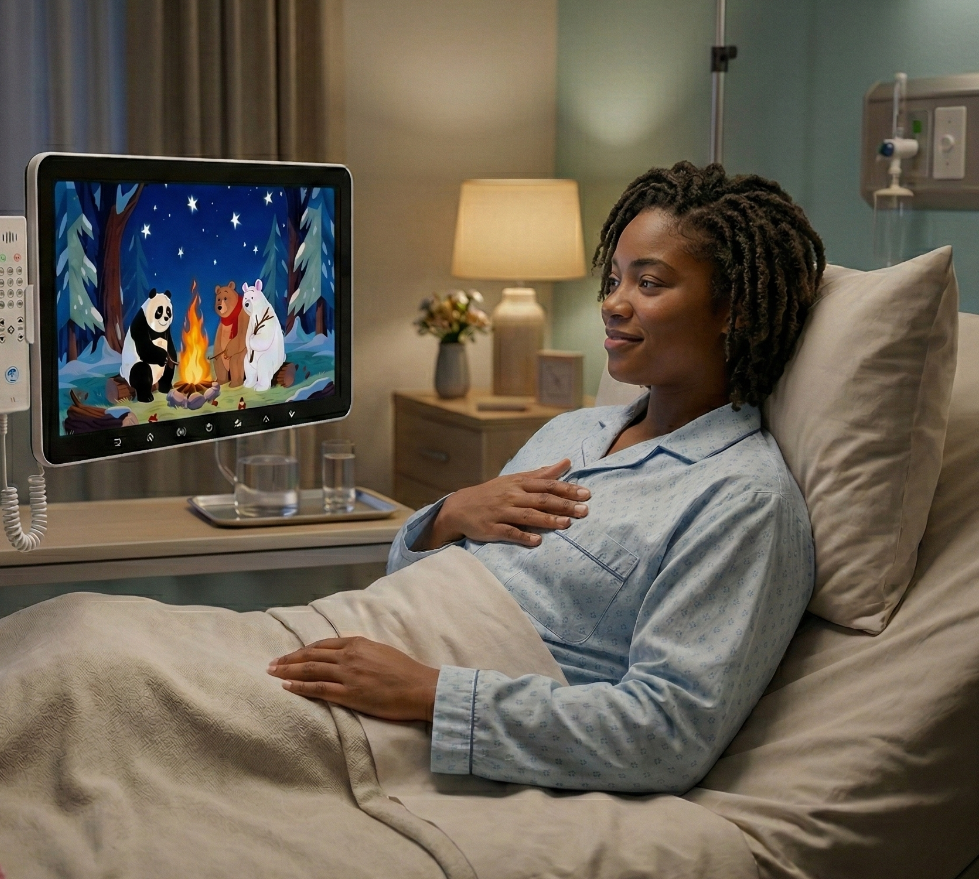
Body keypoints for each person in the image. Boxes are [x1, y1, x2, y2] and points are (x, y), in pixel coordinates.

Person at [268, 161, 825, 794]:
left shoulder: (742, 499)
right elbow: (408, 582)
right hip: (348, 638)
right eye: (614, 279)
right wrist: (450, 514)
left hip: (415, 719)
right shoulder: (573, 432)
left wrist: (429, 693)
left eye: (649, 283)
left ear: (734, 309)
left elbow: (667, 736)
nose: (612, 304)